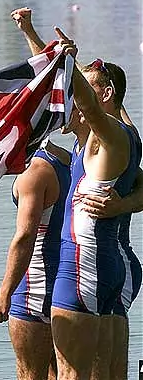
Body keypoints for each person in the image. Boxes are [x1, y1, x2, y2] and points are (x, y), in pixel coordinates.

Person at [0, 8, 72, 380]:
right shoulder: (73, 157)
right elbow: (49, 82)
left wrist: (4, 291)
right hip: (69, 279)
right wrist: (30, 33)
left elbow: (25, 236)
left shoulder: (36, 172)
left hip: (34, 283)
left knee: (30, 374)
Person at [52, 28, 141, 380]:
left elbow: (87, 104)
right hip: (106, 262)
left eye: (84, 88)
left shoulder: (111, 134)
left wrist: (70, 60)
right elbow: (59, 89)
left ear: (105, 94)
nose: (75, 96)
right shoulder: (124, 133)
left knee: (71, 375)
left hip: (82, 263)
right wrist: (51, 51)